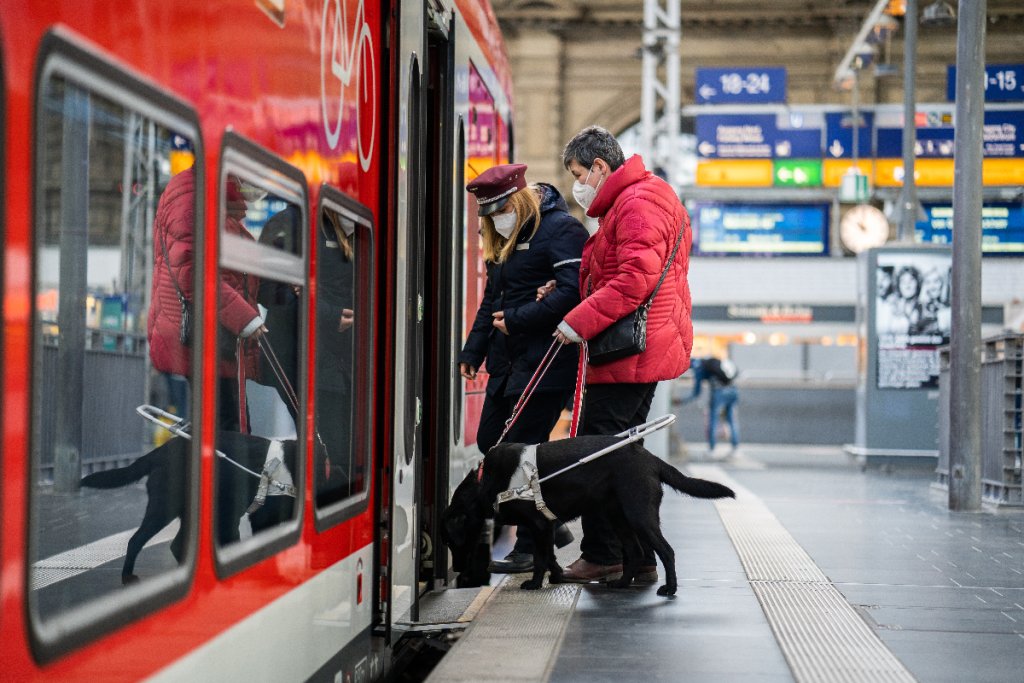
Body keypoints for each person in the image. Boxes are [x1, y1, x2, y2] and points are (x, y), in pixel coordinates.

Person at [552, 125, 693, 584]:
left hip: (627, 352)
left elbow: (635, 279)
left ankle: (604, 553)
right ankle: (637, 558)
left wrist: (578, 321)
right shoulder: (637, 199)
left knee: (598, 456)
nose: (577, 184)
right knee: (621, 459)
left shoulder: (638, 202)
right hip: (636, 350)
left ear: (598, 166)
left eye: (578, 173)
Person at [458, 163, 588, 573]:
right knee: (490, 444)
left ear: (517, 200)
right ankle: (555, 528)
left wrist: (519, 318)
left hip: (545, 364)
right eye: (489, 214)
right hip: (506, 364)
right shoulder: (505, 239)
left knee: (520, 455)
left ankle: (533, 546)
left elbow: (572, 293)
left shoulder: (561, 230)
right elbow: (489, 299)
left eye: (500, 210)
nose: (496, 219)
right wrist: (472, 351)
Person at [148, 166, 264, 433]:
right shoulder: (190, 195)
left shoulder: (215, 201)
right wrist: (245, 319)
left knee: (225, 427)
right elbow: (191, 271)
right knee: (225, 431)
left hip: (218, 335)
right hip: (204, 336)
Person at [681, 356, 740, 459]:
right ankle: (735, 449)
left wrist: (683, 401)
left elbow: (697, 392)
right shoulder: (710, 361)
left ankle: (712, 450)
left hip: (719, 392)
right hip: (733, 390)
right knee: (731, 420)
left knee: (713, 420)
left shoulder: (698, 368)